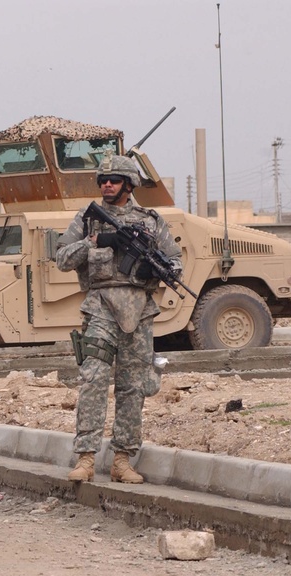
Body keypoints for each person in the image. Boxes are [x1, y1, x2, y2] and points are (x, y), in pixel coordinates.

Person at [55, 155, 182, 484]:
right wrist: (95, 241)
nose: (106, 185)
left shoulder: (150, 222)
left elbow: (175, 261)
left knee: (133, 388)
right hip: (100, 307)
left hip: (139, 310)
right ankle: (85, 458)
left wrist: (152, 266)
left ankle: (122, 459)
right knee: (93, 380)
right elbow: (62, 259)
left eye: (113, 180)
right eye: (102, 180)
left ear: (129, 184)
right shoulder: (87, 219)